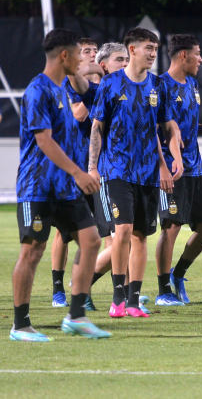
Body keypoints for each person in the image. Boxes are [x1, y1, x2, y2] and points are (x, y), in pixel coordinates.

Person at [12, 29, 109, 341]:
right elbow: (44, 141)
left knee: (92, 240)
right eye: (79, 54)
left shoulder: (64, 89)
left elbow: (95, 99)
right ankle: (20, 325)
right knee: (33, 251)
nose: (84, 59)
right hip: (37, 186)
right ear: (65, 55)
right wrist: (80, 173)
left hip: (64, 187)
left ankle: (76, 316)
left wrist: (82, 80)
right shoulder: (37, 91)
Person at [89, 27, 183, 319]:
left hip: (147, 173)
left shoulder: (158, 86)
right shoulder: (111, 84)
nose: (153, 53)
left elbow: (162, 128)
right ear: (132, 50)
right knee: (123, 231)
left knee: (141, 236)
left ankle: (133, 300)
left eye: (155, 48)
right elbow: (97, 128)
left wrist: (166, 164)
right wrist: (92, 167)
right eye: (148, 48)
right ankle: (117, 298)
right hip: (116, 170)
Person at [155, 35, 202, 306]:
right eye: (197, 54)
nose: (201, 59)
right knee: (171, 226)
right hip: (173, 169)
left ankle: (178, 273)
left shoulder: (194, 85)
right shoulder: (160, 85)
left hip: (196, 167)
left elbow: (185, 124)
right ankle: (163, 291)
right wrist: (167, 160)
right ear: (183, 55)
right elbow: (158, 126)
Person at [49, 38, 105, 308]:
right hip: (70, 170)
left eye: (96, 52)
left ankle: (84, 292)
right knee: (63, 232)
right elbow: (78, 116)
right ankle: (58, 289)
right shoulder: (64, 87)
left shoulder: (97, 88)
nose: (92, 57)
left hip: (96, 171)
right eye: (86, 53)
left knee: (93, 233)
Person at [84, 43, 131, 310]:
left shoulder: (130, 87)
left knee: (124, 239)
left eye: (127, 59)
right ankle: (85, 285)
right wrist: (94, 65)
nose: (125, 64)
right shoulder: (98, 89)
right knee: (117, 238)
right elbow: (87, 120)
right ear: (104, 66)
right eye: (118, 60)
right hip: (106, 171)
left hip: (132, 173)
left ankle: (125, 292)